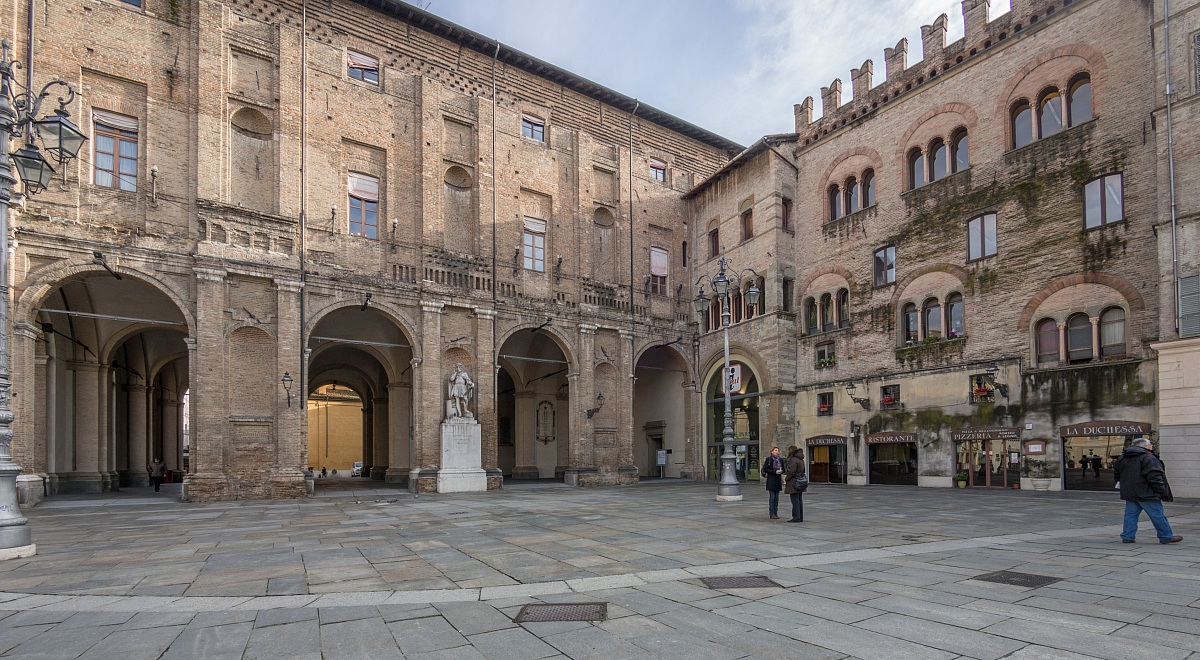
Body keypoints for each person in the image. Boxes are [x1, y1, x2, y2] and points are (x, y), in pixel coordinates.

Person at [1115, 437, 1181, 544]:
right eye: (1149, 445)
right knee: (1157, 514)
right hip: (1147, 493)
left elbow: (1117, 475)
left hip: (1130, 492)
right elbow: (1154, 476)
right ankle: (1166, 536)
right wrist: (1161, 491)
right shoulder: (1148, 458)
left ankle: (1128, 536)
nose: (1151, 446)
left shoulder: (1123, 458)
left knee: (1130, 515)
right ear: (1144, 447)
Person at [783, 445, 806, 523]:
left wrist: (787, 478)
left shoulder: (793, 460)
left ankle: (796, 517)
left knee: (795, 500)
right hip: (800, 481)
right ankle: (800, 517)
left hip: (794, 482)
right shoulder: (801, 459)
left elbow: (791, 471)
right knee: (799, 500)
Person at [761, 446, 785, 520]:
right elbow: (765, 469)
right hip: (771, 479)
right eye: (775, 450)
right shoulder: (769, 459)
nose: (777, 452)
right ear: (772, 451)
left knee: (777, 498)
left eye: (778, 450)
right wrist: (774, 471)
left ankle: (776, 512)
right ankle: (772, 513)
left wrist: (781, 471)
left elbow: (784, 468)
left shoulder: (780, 460)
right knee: (772, 497)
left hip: (778, 480)